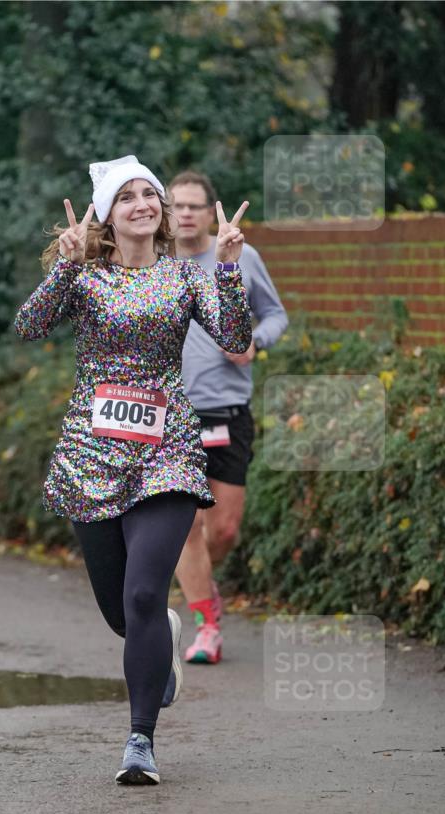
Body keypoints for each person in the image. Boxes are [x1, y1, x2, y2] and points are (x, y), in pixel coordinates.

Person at [14, 155, 252, 785]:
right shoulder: (86, 280)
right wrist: (65, 265)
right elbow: (27, 326)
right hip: (92, 455)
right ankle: (161, 641)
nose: (145, 204)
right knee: (124, 614)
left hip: (167, 450)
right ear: (108, 217)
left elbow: (234, 335)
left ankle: (139, 742)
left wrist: (227, 268)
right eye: (129, 198)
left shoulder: (185, 277)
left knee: (146, 592)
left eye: (153, 195)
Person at [168, 170, 288, 664]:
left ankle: (199, 590)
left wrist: (255, 343)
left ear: (210, 210)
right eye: (177, 205)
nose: (186, 214)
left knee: (223, 530)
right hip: (172, 415)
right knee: (188, 525)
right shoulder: (153, 265)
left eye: (195, 205)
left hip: (228, 413)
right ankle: (207, 623)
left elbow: (275, 315)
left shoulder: (240, 255)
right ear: (166, 210)